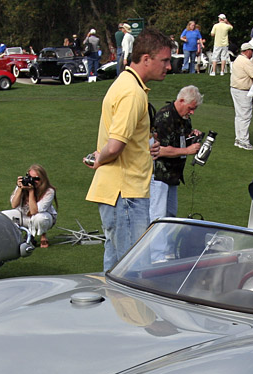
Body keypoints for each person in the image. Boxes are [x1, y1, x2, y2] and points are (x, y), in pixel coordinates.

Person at [85, 29, 174, 270]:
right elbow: (114, 146)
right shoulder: (132, 93)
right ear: (146, 59)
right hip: (125, 194)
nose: (169, 67)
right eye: (164, 60)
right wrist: (99, 159)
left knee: (117, 266)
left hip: (123, 192)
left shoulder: (126, 83)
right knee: (131, 270)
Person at [150, 86, 203, 222]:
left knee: (171, 216)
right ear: (181, 100)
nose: (192, 112)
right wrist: (187, 150)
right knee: (158, 217)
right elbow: (159, 150)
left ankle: (166, 243)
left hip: (174, 174)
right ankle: (155, 243)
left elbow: (181, 137)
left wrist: (191, 136)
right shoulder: (164, 117)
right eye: (190, 108)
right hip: (159, 175)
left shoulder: (184, 118)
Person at [4, 165, 57, 248]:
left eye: (36, 179)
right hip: (24, 217)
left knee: (40, 218)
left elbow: (34, 211)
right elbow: (14, 205)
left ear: (43, 179)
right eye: (30, 177)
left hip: (43, 218)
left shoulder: (49, 191)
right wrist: (20, 188)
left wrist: (31, 191)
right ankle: (18, 237)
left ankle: (43, 236)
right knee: (3, 216)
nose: (32, 181)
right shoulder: (23, 184)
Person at [230, 42, 253, 150]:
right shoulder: (246, 61)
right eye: (252, 51)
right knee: (245, 116)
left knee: (239, 116)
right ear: (247, 51)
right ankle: (243, 141)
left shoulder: (238, 59)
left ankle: (239, 139)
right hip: (242, 90)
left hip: (235, 88)